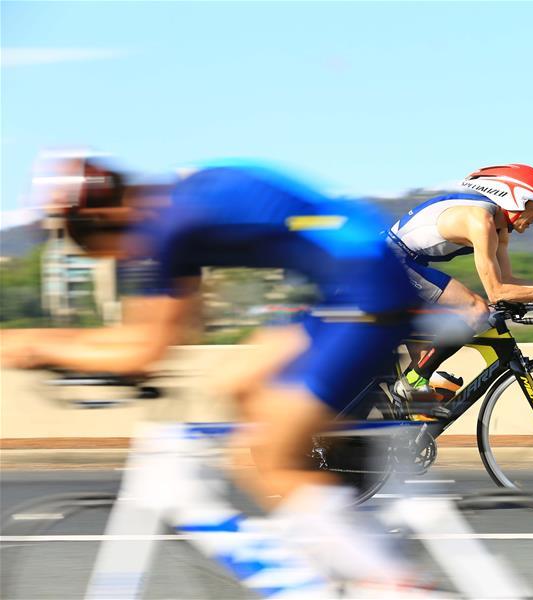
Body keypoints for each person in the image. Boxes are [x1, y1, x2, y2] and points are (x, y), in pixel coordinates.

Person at [3, 151, 422, 585]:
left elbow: (144, 352)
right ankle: (329, 521)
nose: (82, 250)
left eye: (75, 236)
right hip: (346, 287)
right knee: (236, 385)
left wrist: (38, 348)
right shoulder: (169, 207)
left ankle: (389, 583)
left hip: (364, 296)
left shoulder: (166, 228)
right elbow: (160, 332)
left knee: (264, 458)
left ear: (101, 217)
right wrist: (49, 345)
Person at [387, 163, 533, 404]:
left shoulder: (499, 228)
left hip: (405, 263)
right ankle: (412, 381)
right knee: (475, 309)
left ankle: (405, 410)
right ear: (516, 198)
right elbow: (496, 292)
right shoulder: (480, 221)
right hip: (391, 262)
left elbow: (507, 282)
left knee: (422, 397)